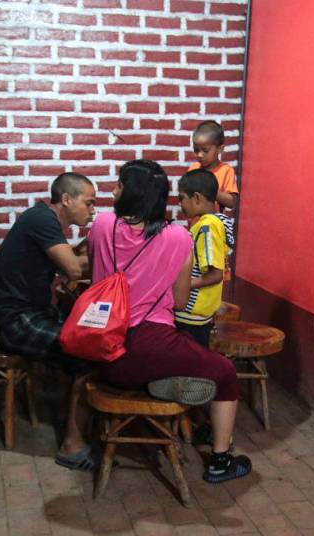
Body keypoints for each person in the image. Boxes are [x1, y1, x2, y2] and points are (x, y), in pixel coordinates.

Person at [87, 159, 251, 483]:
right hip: (149, 347)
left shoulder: (102, 224)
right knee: (225, 372)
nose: (113, 190)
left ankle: (162, 380)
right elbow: (178, 301)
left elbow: (96, 274)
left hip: (101, 348)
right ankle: (220, 461)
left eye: (119, 185)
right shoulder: (178, 237)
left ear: (131, 192)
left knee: (169, 358)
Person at [0, 172, 97, 470]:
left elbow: (70, 261)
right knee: (89, 356)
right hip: (17, 321)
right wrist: (117, 254)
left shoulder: (43, 219)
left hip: (32, 312)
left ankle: (68, 415)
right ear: (66, 199)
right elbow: (74, 270)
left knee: (84, 339)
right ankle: (72, 447)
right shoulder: (42, 221)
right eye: (88, 203)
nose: (92, 210)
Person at [174, 168, 229, 348]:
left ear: (196, 198)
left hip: (191, 315)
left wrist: (182, 285)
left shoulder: (207, 227)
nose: (180, 204)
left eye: (181, 198)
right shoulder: (208, 224)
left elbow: (215, 274)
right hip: (197, 314)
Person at [188, 120, 239, 214]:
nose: (200, 155)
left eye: (205, 151)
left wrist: (210, 191)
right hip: (195, 224)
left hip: (215, 224)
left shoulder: (226, 170)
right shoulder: (193, 169)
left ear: (220, 149)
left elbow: (232, 202)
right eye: (196, 150)